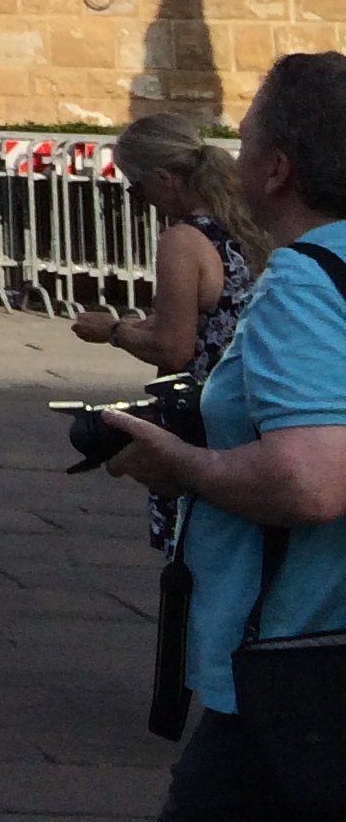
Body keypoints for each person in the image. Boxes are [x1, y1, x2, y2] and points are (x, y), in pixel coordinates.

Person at [102, 51, 346, 821]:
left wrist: (182, 462)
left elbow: (310, 482)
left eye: (243, 140)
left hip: (296, 657)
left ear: (277, 169)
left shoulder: (306, 280)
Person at [73, 114, 265, 550]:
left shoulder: (183, 240)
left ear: (164, 178)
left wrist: (113, 330)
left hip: (203, 412)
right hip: (256, 403)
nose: (140, 199)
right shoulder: (251, 225)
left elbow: (174, 349)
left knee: (194, 551)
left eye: (136, 188)